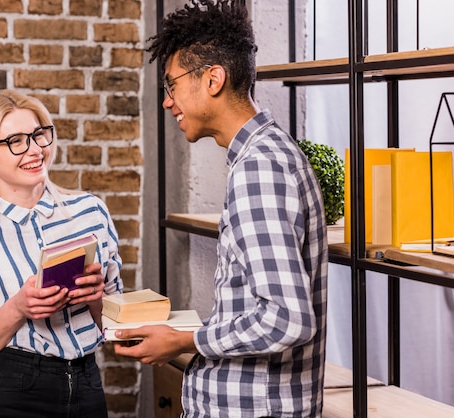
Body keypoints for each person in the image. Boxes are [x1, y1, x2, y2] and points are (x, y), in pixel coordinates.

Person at [113, 1, 328, 417]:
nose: (167, 102)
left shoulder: (258, 169)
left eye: (172, 85)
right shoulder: (269, 154)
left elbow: (287, 320)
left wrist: (186, 340)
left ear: (213, 79)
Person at [0, 90, 123, 418]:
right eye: (16, 141)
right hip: (12, 391)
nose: (35, 149)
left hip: (87, 386)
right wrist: (18, 308)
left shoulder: (91, 212)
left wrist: (96, 298)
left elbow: (114, 327)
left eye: (39, 135)